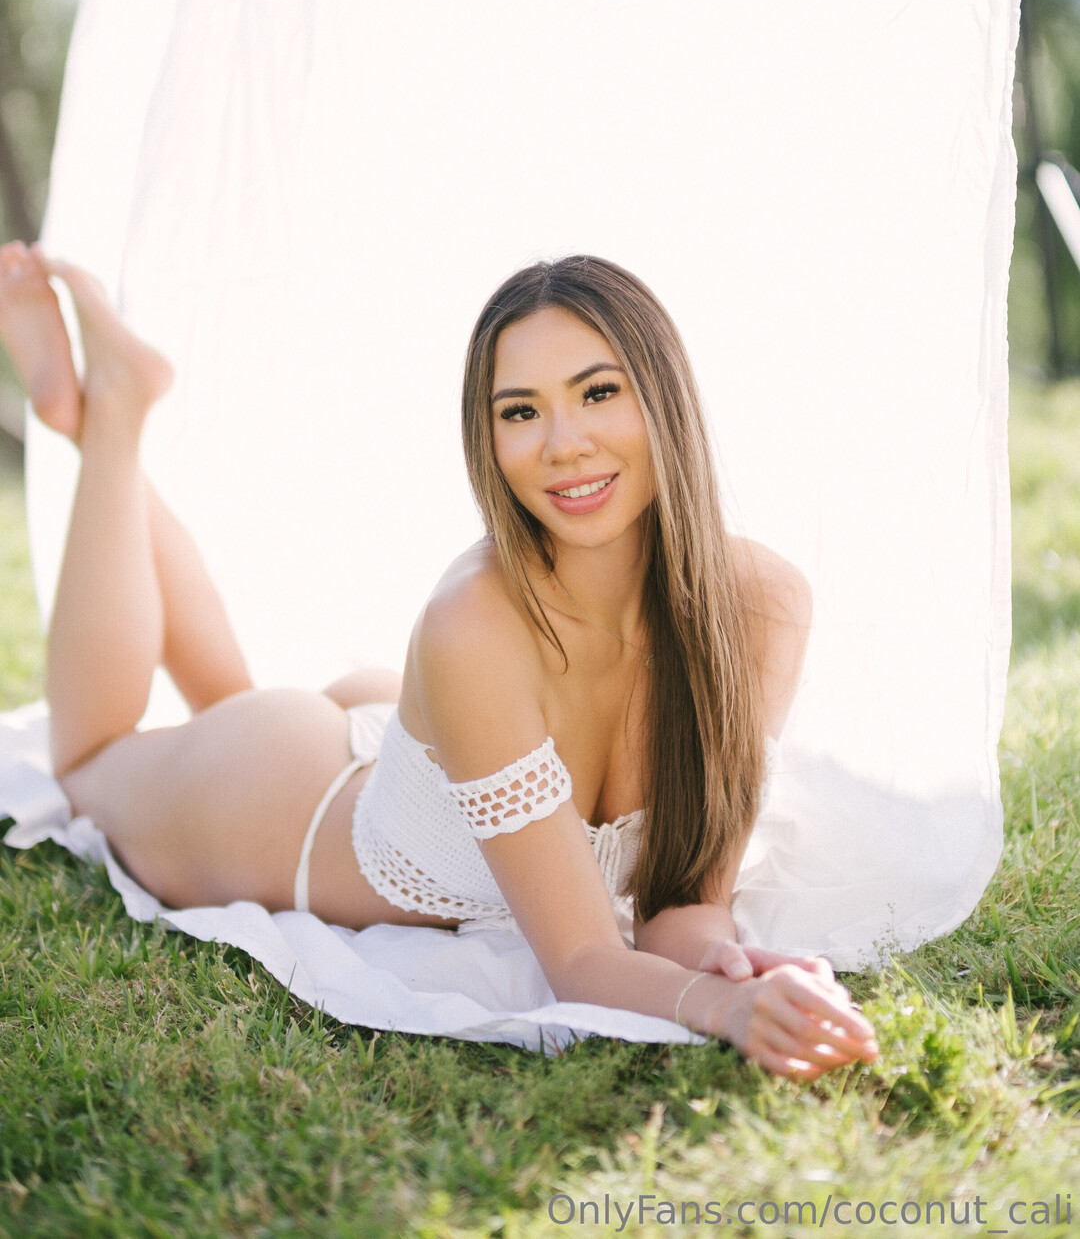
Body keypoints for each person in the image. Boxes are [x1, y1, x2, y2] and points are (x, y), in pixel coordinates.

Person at [0, 239, 878, 1077]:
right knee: (87, 762)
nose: (564, 443)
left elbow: (683, 903)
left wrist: (735, 974)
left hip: (425, 745)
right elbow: (581, 959)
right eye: (521, 411)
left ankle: (101, 415)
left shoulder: (761, 606)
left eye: (599, 392)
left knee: (224, 694)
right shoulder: (473, 621)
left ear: (665, 396)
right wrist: (718, 1010)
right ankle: (109, 421)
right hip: (287, 799)